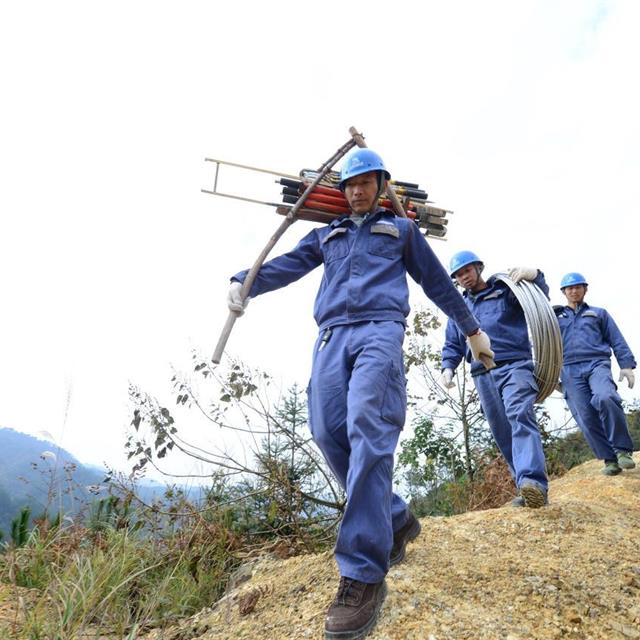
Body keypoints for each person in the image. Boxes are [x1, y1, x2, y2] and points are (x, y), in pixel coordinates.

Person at [227, 149, 493, 640]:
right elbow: (285, 265)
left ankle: (362, 575)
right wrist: (246, 282)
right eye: (349, 184)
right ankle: (395, 517)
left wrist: (472, 329)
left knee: (368, 427)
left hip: (380, 332)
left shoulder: (402, 231)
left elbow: (437, 282)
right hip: (331, 337)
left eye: (365, 182)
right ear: (341, 190)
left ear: (380, 184)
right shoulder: (326, 234)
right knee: (329, 431)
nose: (356, 190)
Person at [439, 251, 550, 509]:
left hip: (514, 364)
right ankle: (525, 487)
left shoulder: (505, 291)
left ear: (479, 268)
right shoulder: (459, 307)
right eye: (458, 275)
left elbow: (539, 297)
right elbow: (452, 344)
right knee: (502, 431)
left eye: (467, 271)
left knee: (520, 414)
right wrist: (448, 367)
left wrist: (535, 275)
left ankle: (534, 483)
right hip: (482, 373)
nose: (464, 277)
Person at [555, 272, 636, 476]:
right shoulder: (555, 317)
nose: (574, 291)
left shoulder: (599, 313)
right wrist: (549, 377)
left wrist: (626, 365)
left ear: (585, 289)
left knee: (606, 397)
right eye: (570, 288)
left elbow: (616, 338)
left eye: (578, 287)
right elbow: (542, 345)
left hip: (596, 363)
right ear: (564, 292)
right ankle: (609, 459)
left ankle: (622, 451)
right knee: (585, 416)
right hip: (569, 369)